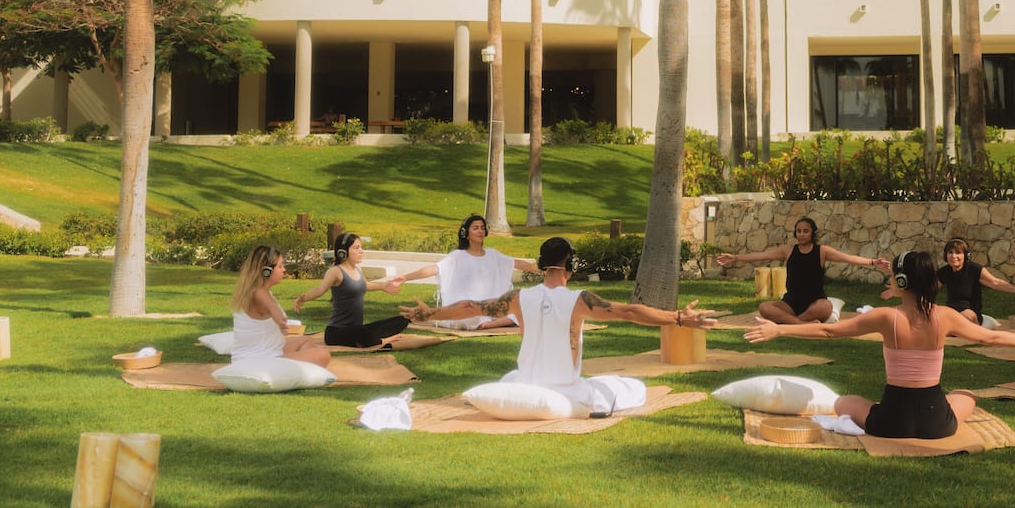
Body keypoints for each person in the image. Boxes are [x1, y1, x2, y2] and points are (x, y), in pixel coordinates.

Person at [744, 250, 1015, 439]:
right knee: (964, 395)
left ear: (900, 282)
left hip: (889, 423)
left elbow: (830, 333)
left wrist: (779, 331)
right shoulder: (947, 316)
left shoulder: (885, 317)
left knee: (845, 402)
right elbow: (992, 337)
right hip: (937, 423)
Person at [408, 236, 717, 415]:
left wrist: (430, 315)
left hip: (525, 384)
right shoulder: (579, 299)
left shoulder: (517, 298)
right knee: (633, 388)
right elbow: (631, 312)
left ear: (543, 265)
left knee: (509, 378)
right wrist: (677, 318)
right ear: (569, 266)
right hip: (566, 391)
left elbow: (469, 307)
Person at [715, 217, 890, 324]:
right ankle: (802, 324)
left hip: (815, 303)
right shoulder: (788, 250)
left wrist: (873, 262)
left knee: (826, 306)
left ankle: (792, 323)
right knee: (764, 307)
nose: (801, 234)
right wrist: (736, 258)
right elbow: (762, 255)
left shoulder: (822, 251)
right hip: (790, 303)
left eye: (805, 231)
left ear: (812, 233)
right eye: (798, 231)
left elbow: (848, 258)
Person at [384, 215, 537, 329]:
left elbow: (516, 263)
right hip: (466, 311)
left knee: (522, 308)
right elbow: (434, 269)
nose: (480, 231)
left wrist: (539, 269)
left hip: (490, 310)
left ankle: (489, 324)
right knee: (466, 316)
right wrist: (405, 277)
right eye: (475, 228)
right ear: (467, 233)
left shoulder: (493, 255)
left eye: (483, 228)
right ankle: (486, 324)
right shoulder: (458, 256)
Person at [292, 232, 418, 350]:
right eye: (356, 248)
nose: (361, 251)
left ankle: (370, 339)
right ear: (343, 252)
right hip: (336, 332)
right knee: (361, 332)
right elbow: (320, 289)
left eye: (361, 247)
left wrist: (383, 286)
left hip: (355, 328)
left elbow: (364, 285)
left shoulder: (357, 269)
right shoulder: (336, 271)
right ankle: (382, 341)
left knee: (400, 320)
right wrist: (302, 298)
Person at [230, 244, 331, 367]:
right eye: (280, 266)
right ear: (266, 271)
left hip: (265, 352)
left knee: (306, 341)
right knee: (323, 354)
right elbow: (272, 308)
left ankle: (303, 368)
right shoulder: (259, 293)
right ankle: (303, 368)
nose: (284, 269)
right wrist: (280, 320)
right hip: (262, 359)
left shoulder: (255, 290)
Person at [938, 237, 1015, 324]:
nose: (953, 256)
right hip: (951, 313)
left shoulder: (974, 269)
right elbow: (930, 289)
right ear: (945, 256)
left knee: (962, 317)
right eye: (950, 252)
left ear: (966, 255)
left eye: (958, 253)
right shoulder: (943, 272)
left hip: (970, 313)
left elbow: (995, 283)